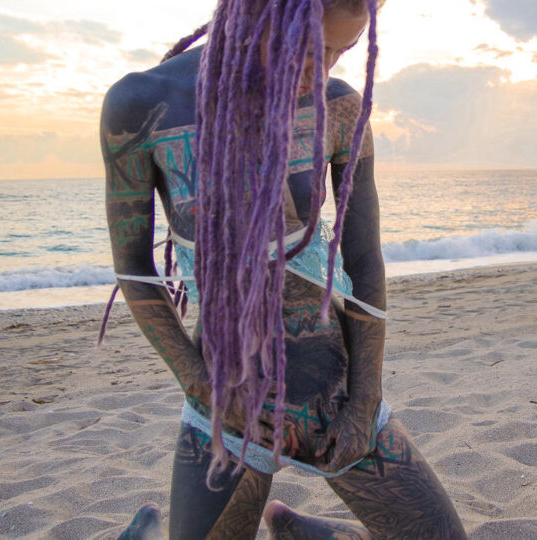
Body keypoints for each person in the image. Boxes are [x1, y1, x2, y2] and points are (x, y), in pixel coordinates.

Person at [99, 0, 465, 538]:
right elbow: (133, 267)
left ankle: (302, 531)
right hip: (228, 405)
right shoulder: (144, 105)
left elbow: (364, 260)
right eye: (310, 51)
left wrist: (364, 402)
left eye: (342, 51)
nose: (324, 71)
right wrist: (203, 387)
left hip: (335, 398)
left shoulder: (338, 107)